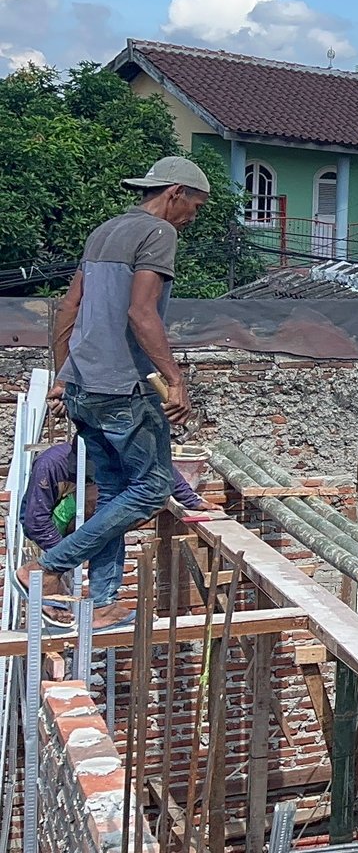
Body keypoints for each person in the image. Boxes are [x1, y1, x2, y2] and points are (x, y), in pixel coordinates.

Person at [15, 156, 209, 632]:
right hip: (122, 387)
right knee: (152, 489)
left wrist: (64, 374)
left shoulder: (104, 231)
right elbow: (142, 313)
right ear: (174, 193)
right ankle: (47, 567)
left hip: (84, 385)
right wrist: (176, 380)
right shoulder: (159, 234)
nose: (193, 216)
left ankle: (102, 602)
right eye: (195, 205)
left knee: (115, 494)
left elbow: (70, 306)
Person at [16, 440, 211, 625]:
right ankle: (46, 575)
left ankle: (103, 606)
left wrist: (191, 500)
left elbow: (158, 468)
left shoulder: (124, 453)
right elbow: (34, 521)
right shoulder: (51, 464)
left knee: (123, 505)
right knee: (107, 502)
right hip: (53, 527)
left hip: (85, 524)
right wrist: (62, 560)